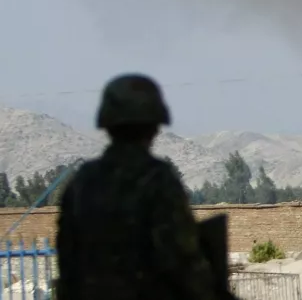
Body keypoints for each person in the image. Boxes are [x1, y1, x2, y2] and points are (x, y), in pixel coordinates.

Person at [55, 73, 221, 300]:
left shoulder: (81, 182)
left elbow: (66, 261)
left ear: (107, 124)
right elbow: (181, 258)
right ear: (154, 126)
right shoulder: (157, 178)